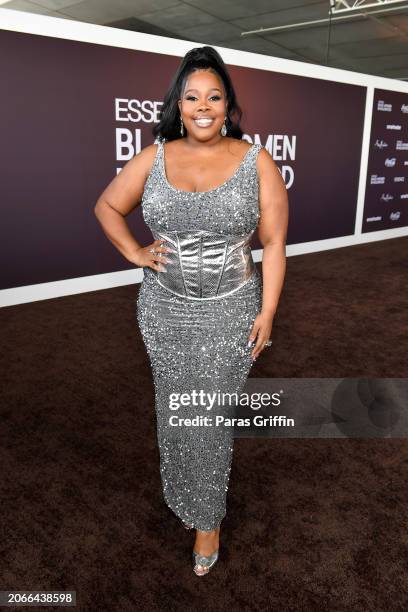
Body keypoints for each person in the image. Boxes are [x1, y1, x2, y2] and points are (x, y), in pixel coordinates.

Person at [94, 45, 288, 576]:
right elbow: (107, 205)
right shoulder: (154, 157)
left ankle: (208, 520)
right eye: (192, 96)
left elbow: (272, 244)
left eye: (214, 96)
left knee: (208, 417)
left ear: (228, 105)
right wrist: (135, 252)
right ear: (178, 105)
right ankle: (186, 494)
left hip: (231, 310)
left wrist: (268, 311)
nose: (203, 106)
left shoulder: (256, 161)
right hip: (163, 310)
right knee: (178, 409)